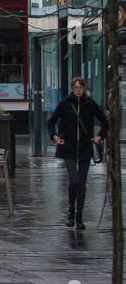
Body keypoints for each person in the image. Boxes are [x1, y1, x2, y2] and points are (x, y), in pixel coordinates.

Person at [47, 76, 108, 229]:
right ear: (72, 89)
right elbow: (51, 122)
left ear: (84, 88)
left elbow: (104, 120)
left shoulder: (90, 104)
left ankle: (79, 217)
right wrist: (54, 137)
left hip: (85, 149)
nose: (79, 91)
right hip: (68, 148)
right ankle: (71, 213)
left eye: (81, 88)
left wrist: (100, 136)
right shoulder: (65, 104)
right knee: (73, 181)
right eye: (76, 88)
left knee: (82, 184)